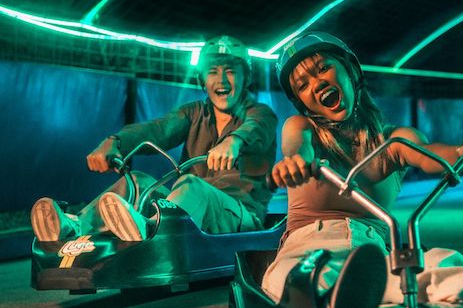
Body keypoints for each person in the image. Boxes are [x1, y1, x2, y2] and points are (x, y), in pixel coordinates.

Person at [261, 31, 463, 308]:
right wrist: (295, 162)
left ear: (350, 71)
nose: (317, 83)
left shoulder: (393, 142)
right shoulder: (301, 127)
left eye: (323, 68)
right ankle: (343, 305)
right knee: (291, 274)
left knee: (438, 262)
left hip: (375, 250)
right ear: (302, 101)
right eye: (303, 84)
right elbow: (295, 145)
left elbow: (430, 155)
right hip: (312, 241)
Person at [31, 35, 278, 242]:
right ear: (202, 80)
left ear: (246, 78)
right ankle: (74, 228)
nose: (222, 80)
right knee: (137, 181)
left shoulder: (260, 113)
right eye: (213, 72)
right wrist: (115, 142)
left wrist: (233, 142)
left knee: (190, 184)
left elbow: (256, 129)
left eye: (231, 71)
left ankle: (150, 229)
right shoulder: (193, 113)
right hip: (189, 211)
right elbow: (158, 130)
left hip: (240, 216)